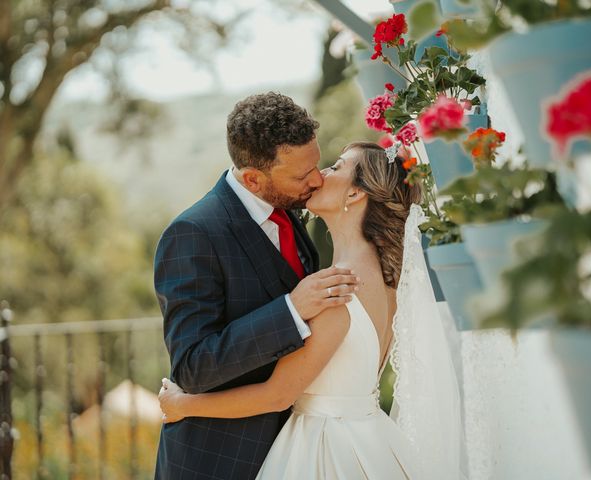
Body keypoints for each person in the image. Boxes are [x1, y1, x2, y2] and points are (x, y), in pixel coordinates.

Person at [159, 141, 430, 478]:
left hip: (323, 452)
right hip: (369, 442)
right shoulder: (386, 279)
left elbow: (276, 395)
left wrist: (182, 406)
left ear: (354, 195)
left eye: (336, 168)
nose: (319, 176)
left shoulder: (336, 291)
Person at [153, 92, 360, 480]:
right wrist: (291, 310)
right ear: (253, 178)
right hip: (219, 461)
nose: (316, 180)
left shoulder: (290, 212)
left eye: (316, 165)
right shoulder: (193, 233)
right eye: (301, 176)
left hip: (296, 454)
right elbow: (193, 366)